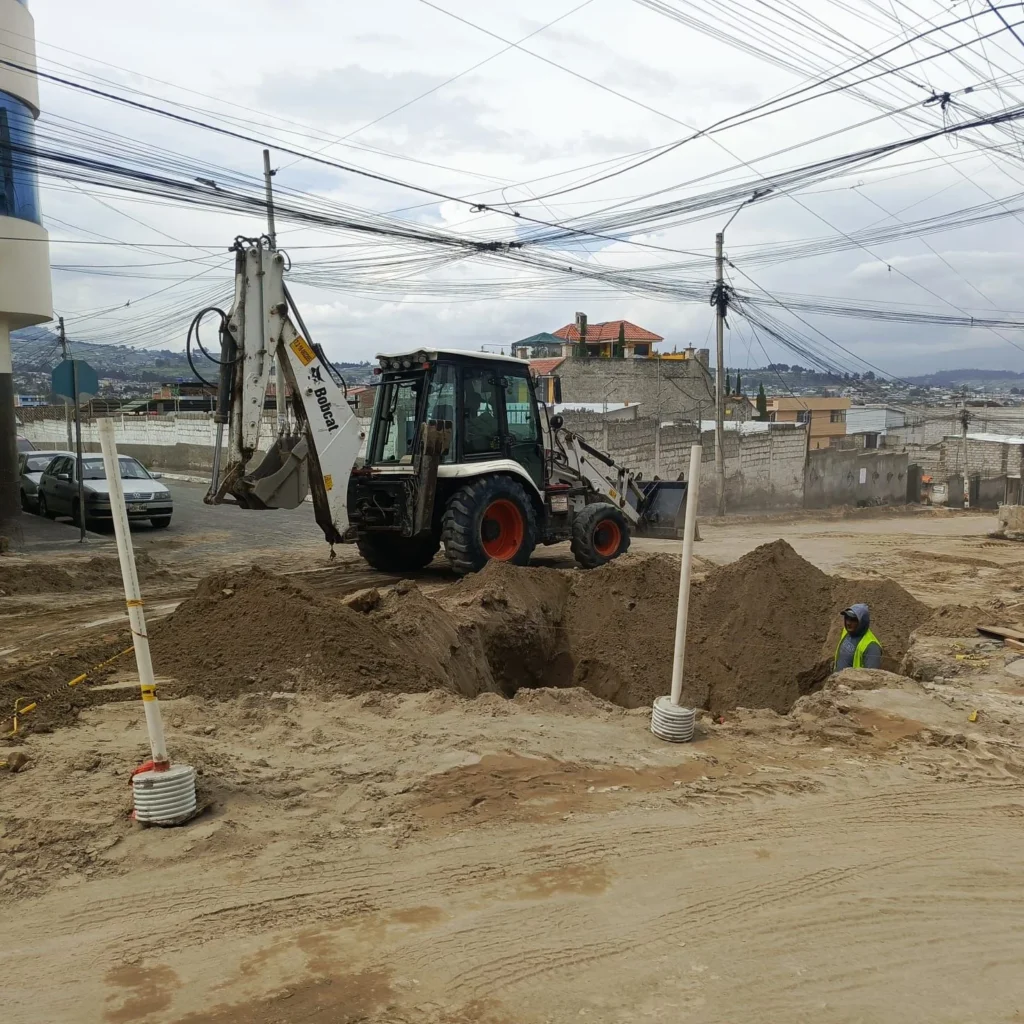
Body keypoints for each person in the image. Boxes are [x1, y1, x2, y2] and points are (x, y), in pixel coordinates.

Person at [834, 603, 882, 671]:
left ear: (863, 622)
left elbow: (871, 678)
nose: (848, 623)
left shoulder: (872, 647)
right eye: (847, 618)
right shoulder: (846, 631)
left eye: (853, 620)